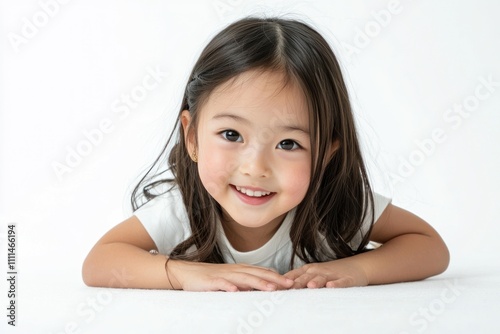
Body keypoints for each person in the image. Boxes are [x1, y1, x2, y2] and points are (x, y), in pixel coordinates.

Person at [82, 16, 449, 291]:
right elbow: (99, 262)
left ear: (325, 154)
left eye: (288, 144)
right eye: (231, 134)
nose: (255, 168)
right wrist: (182, 273)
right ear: (192, 137)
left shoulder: (334, 209)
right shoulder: (184, 211)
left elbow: (431, 247)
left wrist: (362, 270)